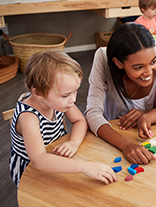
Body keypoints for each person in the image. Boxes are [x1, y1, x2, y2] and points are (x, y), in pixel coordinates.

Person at [9, 50, 117, 186]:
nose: (73, 99)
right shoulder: (28, 117)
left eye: (75, 91)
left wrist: (74, 142)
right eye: (66, 95)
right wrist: (84, 166)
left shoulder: (57, 100)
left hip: (57, 153)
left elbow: (79, 120)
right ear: (38, 93)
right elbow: (38, 159)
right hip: (30, 170)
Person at [85, 23, 156, 164]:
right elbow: (92, 113)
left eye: (153, 61)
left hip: (149, 145)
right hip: (111, 140)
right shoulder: (103, 58)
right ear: (118, 63)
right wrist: (125, 145)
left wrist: (147, 113)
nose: (149, 72)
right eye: (138, 67)